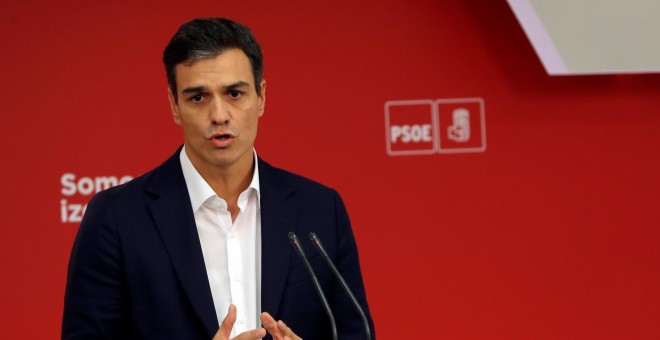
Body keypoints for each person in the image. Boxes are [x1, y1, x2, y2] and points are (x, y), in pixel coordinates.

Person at [62, 18, 375, 340]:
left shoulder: (320, 210)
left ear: (261, 96)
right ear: (174, 105)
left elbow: (357, 333)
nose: (219, 115)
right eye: (198, 97)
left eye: (235, 94)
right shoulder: (117, 218)